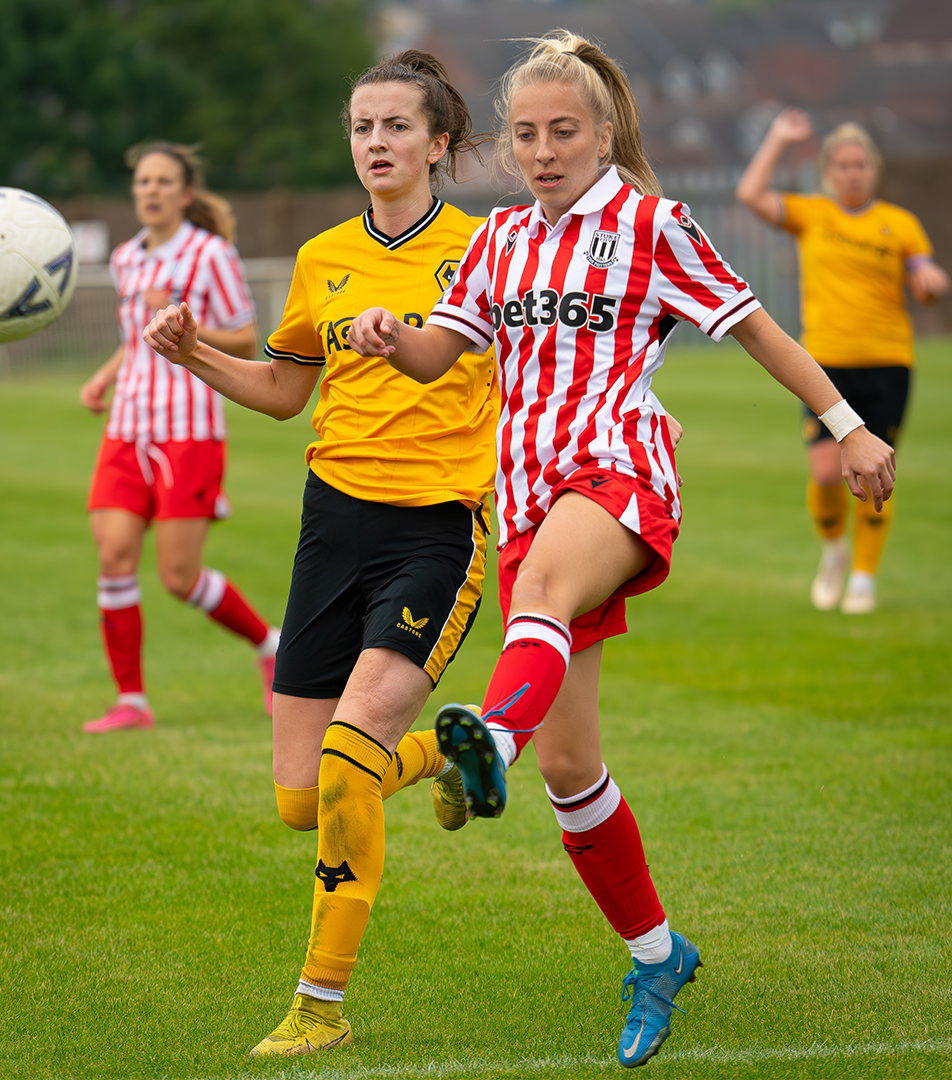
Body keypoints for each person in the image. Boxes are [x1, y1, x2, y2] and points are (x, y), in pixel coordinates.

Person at [347, 32, 896, 1069]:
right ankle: (657, 954)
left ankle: (485, 742)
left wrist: (846, 423)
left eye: (566, 131)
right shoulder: (499, 240)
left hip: (619, 470)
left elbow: (757, 328)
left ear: (605, 135)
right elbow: (436, 353)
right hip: (525, 495)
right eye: (527, 134)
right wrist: (389, 331)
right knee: (572, 768)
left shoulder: (651, 224)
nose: (546, 149)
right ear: (508, 147)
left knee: (546, 596)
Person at [143, 53, 498, 1056]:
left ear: (438, 143)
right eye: (360, 126)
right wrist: (197, 355)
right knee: (303, 799)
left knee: (349, 760)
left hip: (435, 530)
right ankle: (447, 751)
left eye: (394, 126)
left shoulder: (486, 252)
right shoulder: (322, 256)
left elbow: (514, 366)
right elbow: (285, 391)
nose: (374, 143)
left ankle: (319, 1007)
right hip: (330, 526)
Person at [78, 142, 280, 733]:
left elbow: (245, 338)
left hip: (188, 432)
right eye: (143, 181)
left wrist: (187, 329)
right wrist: (103, 377)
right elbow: (132, 338)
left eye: (164, 182)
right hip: (126, 427)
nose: (151, 190)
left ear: (185, 194)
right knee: (113, 557)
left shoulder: (210, 253)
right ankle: (131, 703)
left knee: (178, 578)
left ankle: (269, 645)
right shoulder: (124, 257)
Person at [736, 110, 949, 613]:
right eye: (844, 165)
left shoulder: (900, 224)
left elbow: (923, 271)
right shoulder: (813, 215)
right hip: (825, 363)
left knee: (877, 470)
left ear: (873, 170)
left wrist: (929, 283)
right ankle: (834, 552)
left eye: (861, 165)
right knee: (827, 473)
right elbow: (750, 194)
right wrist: (777, 138)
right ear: (829, 172)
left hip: (888, 361)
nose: (853, 173)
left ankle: (864, 577)